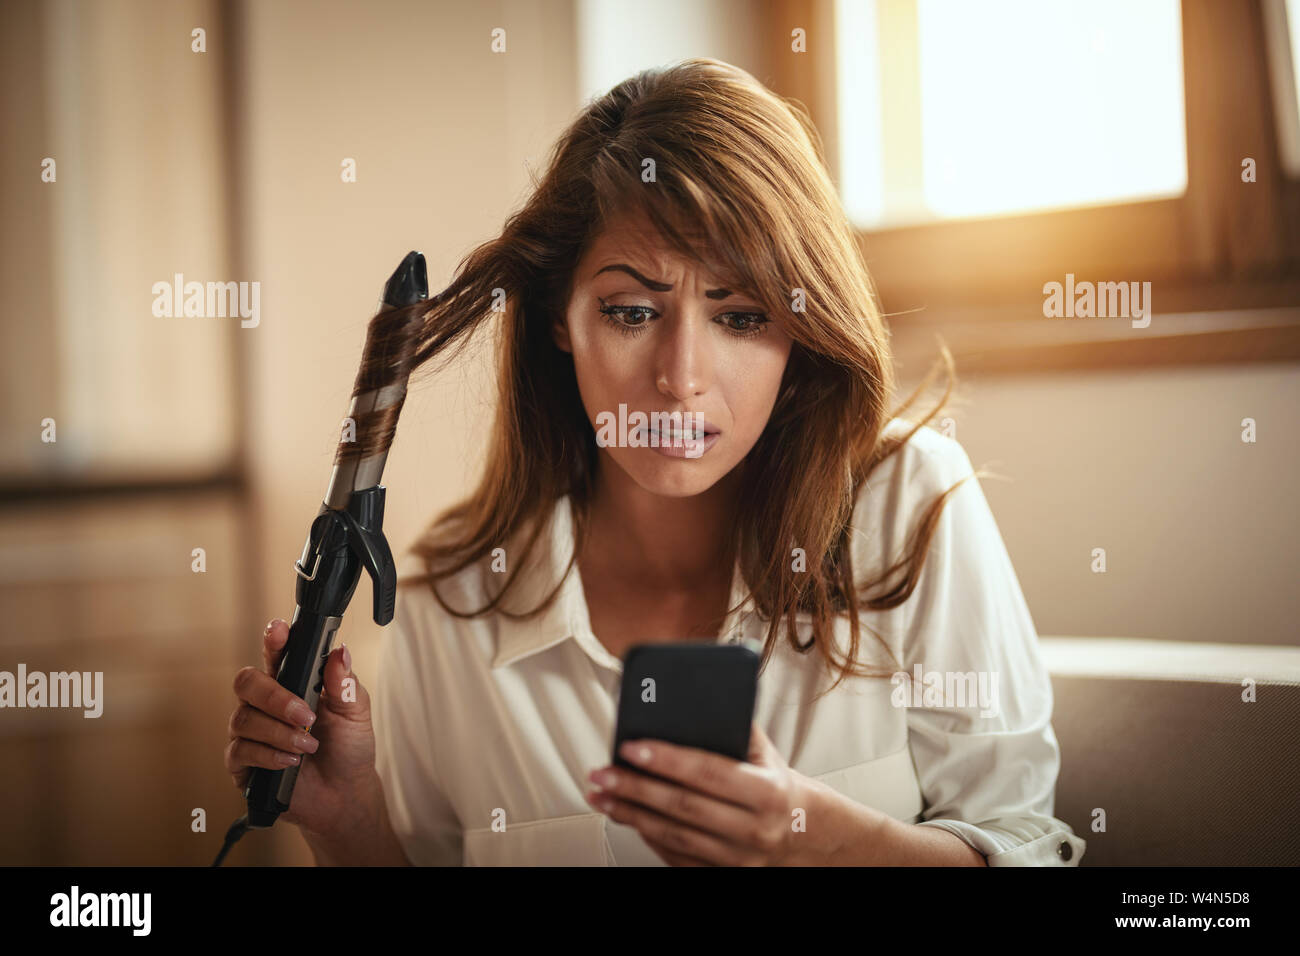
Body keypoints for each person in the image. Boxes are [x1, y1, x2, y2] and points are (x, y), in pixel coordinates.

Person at [224, 58, 1086, 866]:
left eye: (741, 317)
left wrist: (813, 841)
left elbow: (1026, 842)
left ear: (803, 330)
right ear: (560, 319)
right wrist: (352, 830)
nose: (679, 380)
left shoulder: (912, 505)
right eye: (633, 312)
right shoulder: (447, 604)